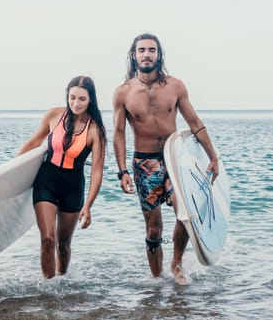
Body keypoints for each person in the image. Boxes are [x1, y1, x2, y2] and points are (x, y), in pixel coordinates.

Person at [112, 33, 219, 285]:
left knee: (186, 213)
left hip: (174, 160)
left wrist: (212, 157)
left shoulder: (175, 86)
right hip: (144, 164)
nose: (147, 54)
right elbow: (118, 133)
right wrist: (122, 171)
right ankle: (156, 281)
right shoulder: (123, 93)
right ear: (134, 55)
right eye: (142, 50)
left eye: (152, 49)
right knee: (153, 228)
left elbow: (194, 123)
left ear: (159, 55)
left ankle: (177, 262)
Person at [17, 76, 107, 279]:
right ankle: (48, 289)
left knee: (63, 245)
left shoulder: (95, 130)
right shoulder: (54, 115)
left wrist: (88, 205)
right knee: (47, 239)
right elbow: (33, 143)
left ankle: (62, 283)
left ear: (90, 100)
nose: (76, 103)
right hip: (46, 181)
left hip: (73, 188)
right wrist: (7, 173)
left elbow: (96, 171)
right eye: (72, 97)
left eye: (82, 99)